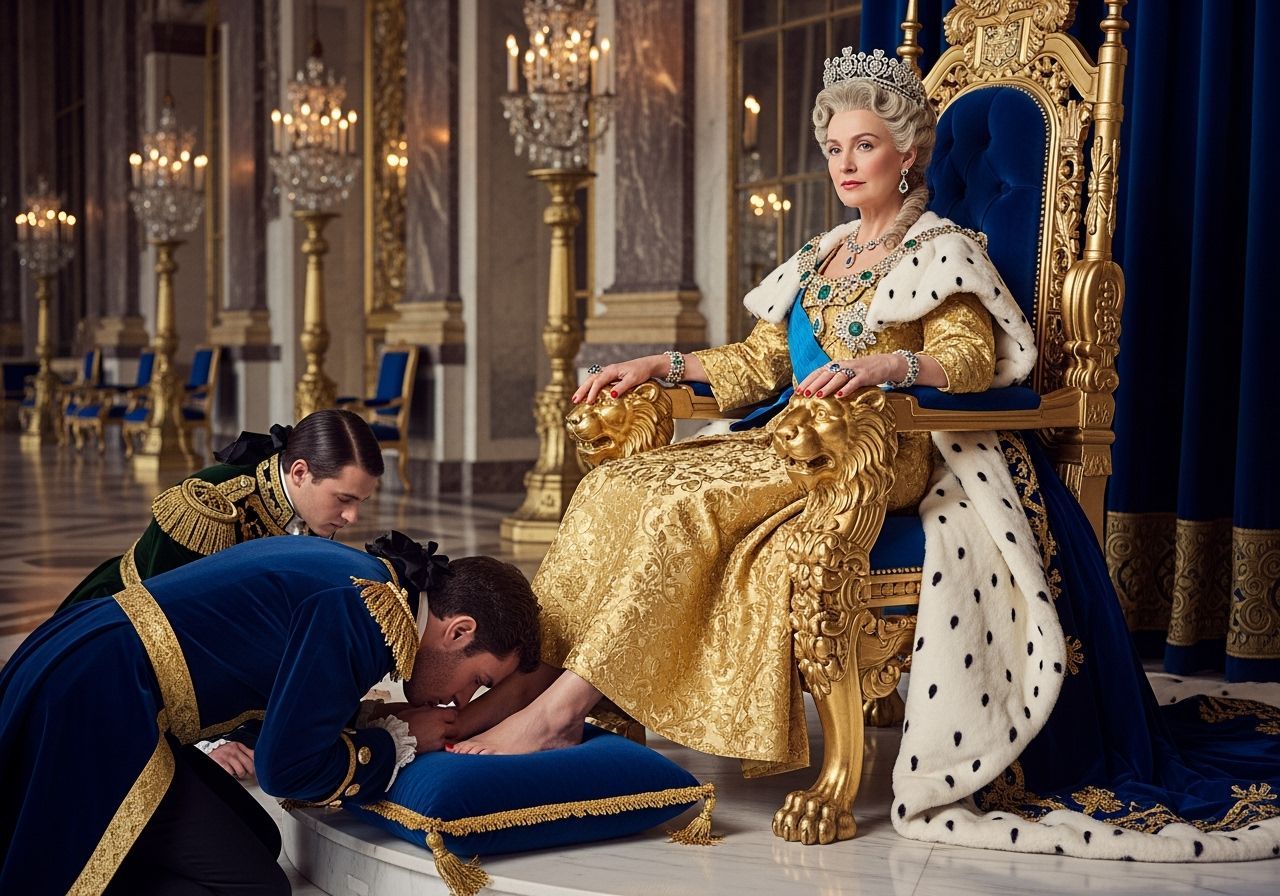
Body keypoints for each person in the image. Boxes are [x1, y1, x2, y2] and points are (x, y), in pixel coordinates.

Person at [447, 49, 1280, 862]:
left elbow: (968, 358)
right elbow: (759, 364)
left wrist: (886, 365)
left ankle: (561, 712)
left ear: (906, 152)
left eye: (865, 145)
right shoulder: (822, 254)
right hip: (790, 441)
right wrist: (658, 364)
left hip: (886, 453)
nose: (847, 163)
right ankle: (538, 682)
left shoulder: (942, 250)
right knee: (618, 486)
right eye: (835, 148)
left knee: (681, 506)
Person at [0, 531, 541, 895]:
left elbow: (288, 693)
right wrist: (394, 739)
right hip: (97, 699)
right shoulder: (363, 613)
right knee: (256, 887)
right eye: (478, 681)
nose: (460, 702)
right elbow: (290, 770)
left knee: (260, 837)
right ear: (459, 630)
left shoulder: (374, 586)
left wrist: (368, 720)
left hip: (96, 668)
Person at [61, 408, 385, 611]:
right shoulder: (210, 505)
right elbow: (165, 622)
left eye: (360, 502)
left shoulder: (311, 508)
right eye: (344, 499)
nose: (352, 518)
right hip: (114, 625)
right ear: (300, 473)